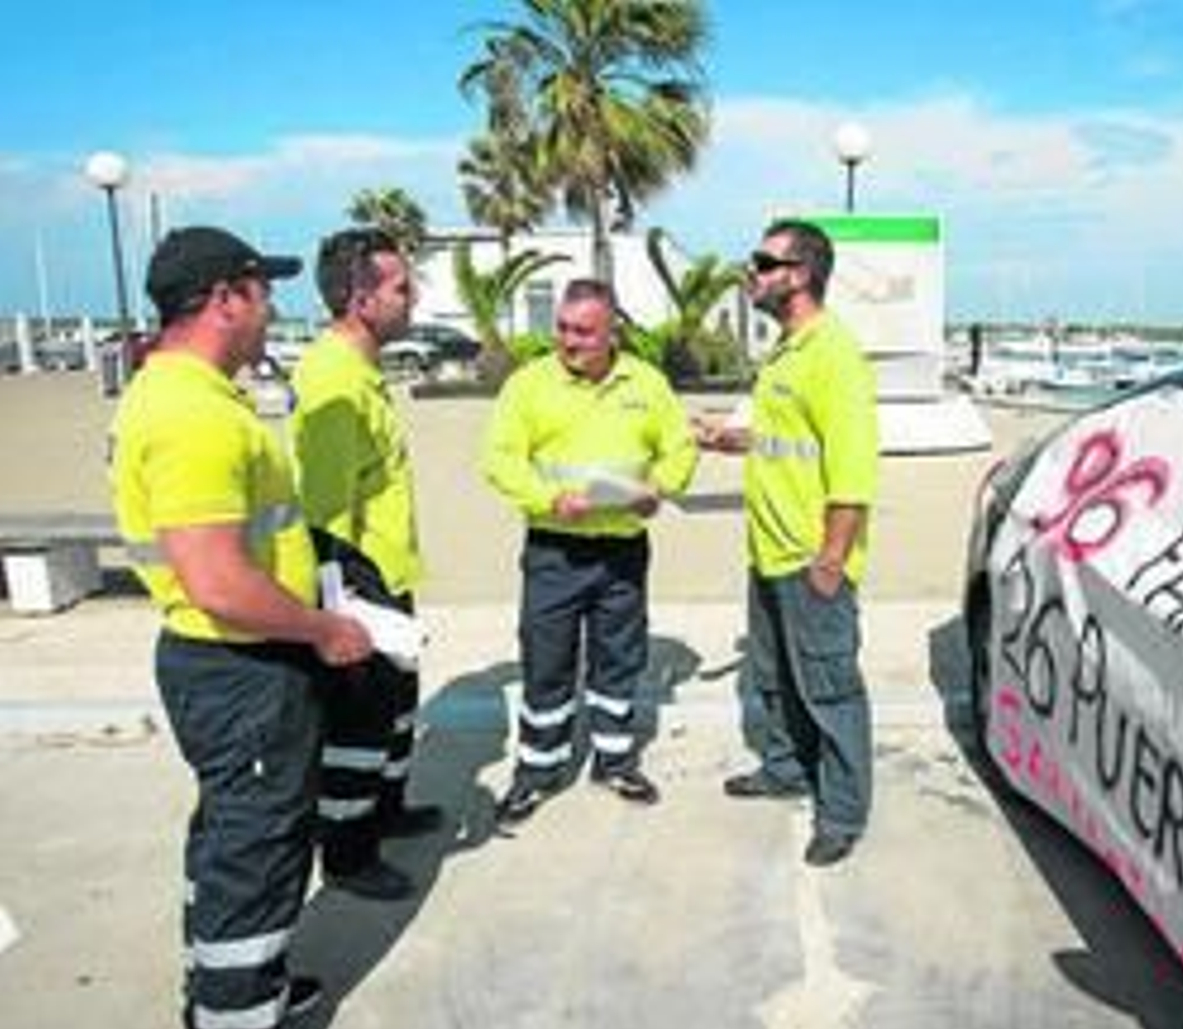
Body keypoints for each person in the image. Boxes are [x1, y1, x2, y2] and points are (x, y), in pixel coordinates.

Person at [108, 226, 372, 1029]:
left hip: (232, 666)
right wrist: (323, 630)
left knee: (233, 841)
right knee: (254, 858)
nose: (273, 310)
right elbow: (219, 579)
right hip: (241, 666)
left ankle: (236, 995)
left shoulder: (184, 393)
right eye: (263, 291)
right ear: (225, 297)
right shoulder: (191, 412)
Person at [695, 219, 879, 867]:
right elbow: (779, 438)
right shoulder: (785, 353)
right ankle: (785, 768)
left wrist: (831, 558)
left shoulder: (834, 354)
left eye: (764, 262)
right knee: (774, 680)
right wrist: (724, 437)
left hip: (810, 558)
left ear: (800, 274)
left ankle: (843, 812)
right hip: (768, 551)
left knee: (829, 688)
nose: (754, 273)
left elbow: (854, 471)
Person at [481, 278, 698, 820]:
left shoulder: (646, 383)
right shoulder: (528, 385)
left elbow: (679, 447)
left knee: (619, 661)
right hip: (555, 551)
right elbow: (500, 460)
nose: (568, 341)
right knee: (546, 663)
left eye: (582, 331)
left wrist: (660, 490)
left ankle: (615, 762)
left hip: (623, 552)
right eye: (562, 327)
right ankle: (536, 771)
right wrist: (549, 500)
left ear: (611, 332)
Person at [290, 228, 441, 902]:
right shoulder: (333, 379)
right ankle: (349, 855)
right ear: (360, 299)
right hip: (357, 585)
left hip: (388, 576)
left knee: (395, 711)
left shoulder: (361, 371)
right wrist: (339, 611)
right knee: (358, 726)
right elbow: (322, 509)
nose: (413, 297)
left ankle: (386, 811)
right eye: (401, 287)